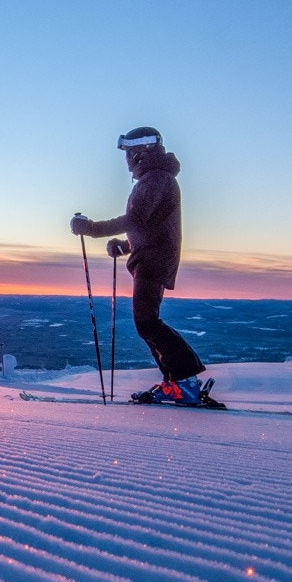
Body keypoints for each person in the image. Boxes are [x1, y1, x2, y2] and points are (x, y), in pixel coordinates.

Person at [70, 126, 216, 406]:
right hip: (153, 257)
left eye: (128, 153)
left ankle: (184, 382)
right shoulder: (158, 179)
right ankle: (177, 383)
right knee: (147, 322)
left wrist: (89, 228)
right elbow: (149, 226)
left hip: (153, 260)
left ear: (140, 153)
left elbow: (135, 219)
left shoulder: (155, 180)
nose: (126, 160)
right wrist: (126, 247)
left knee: (147, 322)